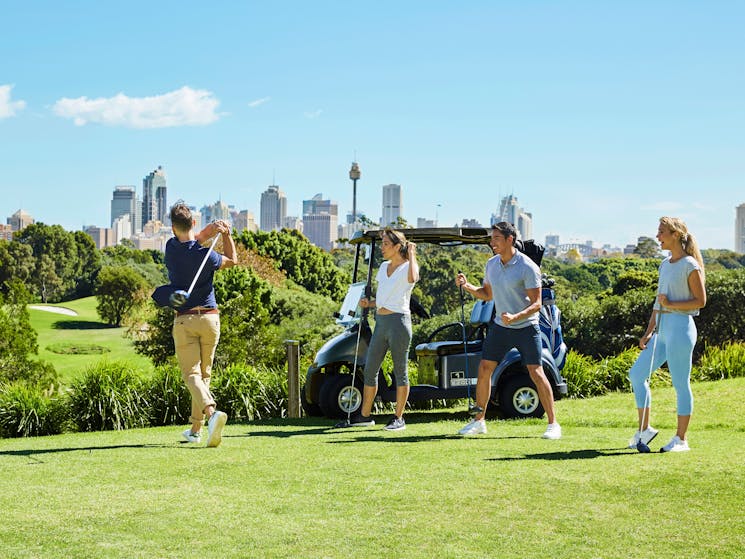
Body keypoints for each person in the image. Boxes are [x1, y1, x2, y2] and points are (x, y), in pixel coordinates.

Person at [455, 222, 561, 439]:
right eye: (492, 238)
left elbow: (537, 303)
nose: (492, 243)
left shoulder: (528, 267)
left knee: (536, 372)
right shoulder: (492, 264)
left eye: (496, 238)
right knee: (484, 369)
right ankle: (479, 421)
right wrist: (467, 286)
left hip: (525, 327)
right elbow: (487, 294)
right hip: (501, 327)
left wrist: (516, 316)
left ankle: (553, 424)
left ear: (510, 239)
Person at [628, 217, 706, 453]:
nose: (657, 236)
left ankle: (681, 440)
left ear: (675, 234)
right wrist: (648, 332)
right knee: (636, 375)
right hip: (662, 331)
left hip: (681, 330)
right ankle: (645, 429)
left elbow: (700, 301)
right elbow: (657, 303)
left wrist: (671, 304)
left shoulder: (690, 264)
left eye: (661, 232)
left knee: (681, 384)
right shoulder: (665, 264)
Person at [166, 203, 237, 447]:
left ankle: (211, 413)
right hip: (210, 318)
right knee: (204, 375)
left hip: (185, 319)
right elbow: (232, 261)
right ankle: (196, 430)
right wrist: (226, 235)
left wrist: (210, 231)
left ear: (172, 226)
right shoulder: (207, 256)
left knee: (191, 374)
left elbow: (190, 239)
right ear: (193, 223)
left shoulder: (171, 248)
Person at [338, 228, 419, 431]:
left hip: (399, 323)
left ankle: (398, 418)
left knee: (401, 371)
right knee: (370, 369)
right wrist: (370, 304)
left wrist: (412, 254)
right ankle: (365, 416)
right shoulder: (383, 267)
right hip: (380, 323)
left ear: (397, 247)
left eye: (385, 244)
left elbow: (414, 278)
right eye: (381, 243)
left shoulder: (408, 267)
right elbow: (385, 296)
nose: (382, 248)